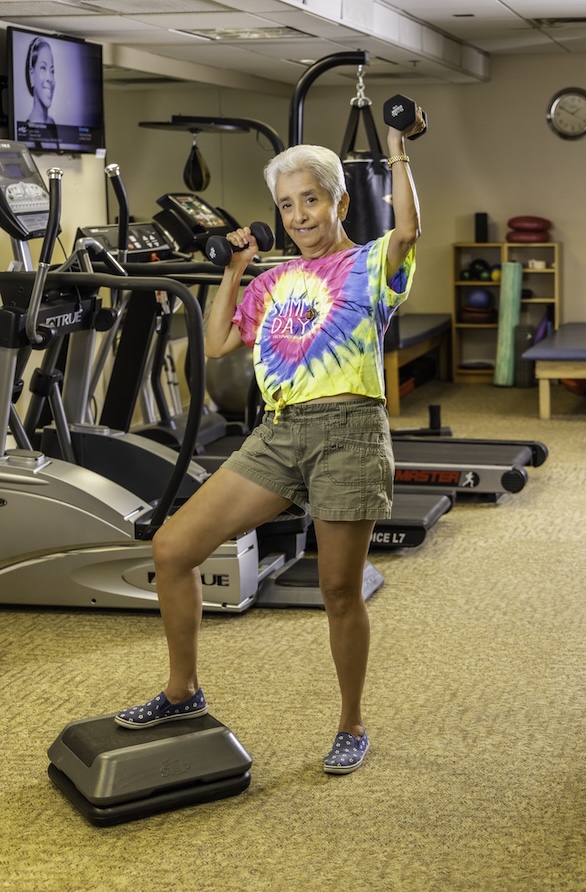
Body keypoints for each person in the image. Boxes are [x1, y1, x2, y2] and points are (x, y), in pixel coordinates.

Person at [115, 108, 424, 775]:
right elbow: (219, 344)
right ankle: (182, 692)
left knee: (339, 590)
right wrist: (234, 269)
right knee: (173, 547)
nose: (298, 215)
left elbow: (407, 228)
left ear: (338, 201)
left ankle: (350, 723)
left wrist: (396, 148)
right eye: (286, 205)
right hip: (279, 435)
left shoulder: (370, 264)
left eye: (309, 200)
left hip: (349, 434)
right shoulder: (271, 281)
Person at [24, 37, 59, 149]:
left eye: (52, 71)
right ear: (31, 74)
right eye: (43, 68)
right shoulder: (26, 132)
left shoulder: (52, 124)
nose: (50, 78)